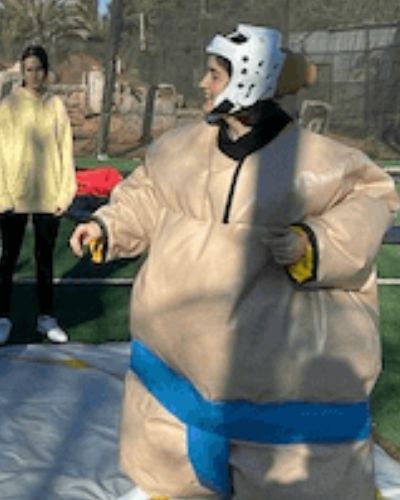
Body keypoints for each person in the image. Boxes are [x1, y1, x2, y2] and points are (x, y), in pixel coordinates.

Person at [70, 24, 399, 500]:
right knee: (171, 477)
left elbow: (370, 203)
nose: (203, 84)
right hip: (174, 379)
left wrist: (315, 243)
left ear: (250, 76)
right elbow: (146, 196)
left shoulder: (318, 162)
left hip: (272, 394)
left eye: (215, 74)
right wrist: (107, 227)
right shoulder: (181, 149)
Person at [0, 45, 76, 345]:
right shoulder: (8, 106)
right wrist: (3, 195)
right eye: (28, 69)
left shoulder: (55, 105)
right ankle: (3, 317)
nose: (33, 75)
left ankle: (46, 318)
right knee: (8, 259)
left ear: (46, 72)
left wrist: (64, 192)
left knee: (44, 260)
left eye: (38, 69)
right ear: (22, 72)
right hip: (14, 197)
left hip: (48, 196)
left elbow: (65, 149)